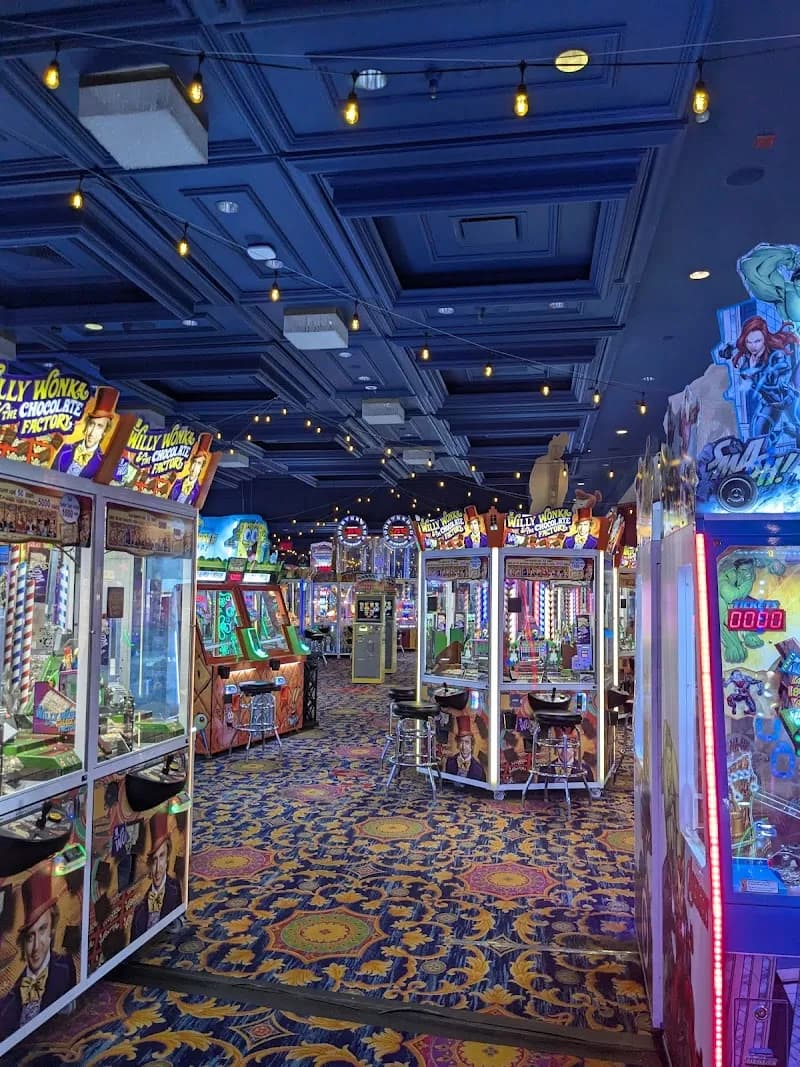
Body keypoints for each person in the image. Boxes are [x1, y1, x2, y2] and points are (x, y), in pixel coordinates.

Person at [0, 870, 76, 1038]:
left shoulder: (65, 966)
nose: (36, 946)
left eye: (42, 930)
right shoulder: (8, 996)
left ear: (52, 929)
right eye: (29, 936)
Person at [130, 812, 181, 941]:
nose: (158, 868)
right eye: (154, 860)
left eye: (162, 856)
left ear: (168, 856)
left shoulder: (175, 887)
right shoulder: (139, 906)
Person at [53, 387, 119, 478]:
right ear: (87, 425)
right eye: (92, 424)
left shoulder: (103, 463)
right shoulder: (65, 448)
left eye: (99, 426)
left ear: (104, 432)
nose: (92, 432)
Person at [444, 715, 487, 782]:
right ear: (458, 743)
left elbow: (481, 791)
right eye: (461, 742)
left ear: (471, 745)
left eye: (467, 742)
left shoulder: (479, 769)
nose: (464, 747)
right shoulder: (449, 762)